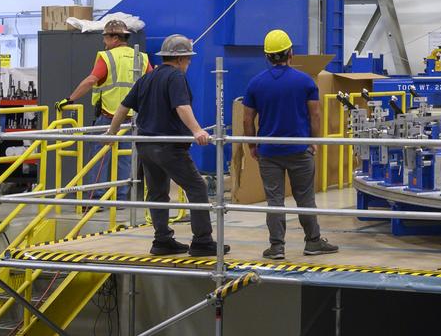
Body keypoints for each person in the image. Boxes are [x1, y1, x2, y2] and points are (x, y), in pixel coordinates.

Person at [108, 34, 224, 257]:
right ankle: (202, 241)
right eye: (188, 60)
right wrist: (197, 130)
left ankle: (162, 240)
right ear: (181, 60)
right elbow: (182, 106)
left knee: (158, 193)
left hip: (146, 146)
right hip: (168, 147)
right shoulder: (176, 77)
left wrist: (111, 134)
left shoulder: (146, 78)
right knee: (197, 187)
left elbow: (123, 107)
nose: (188, 64)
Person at [243, 29, 338, 260]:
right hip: (299, 150)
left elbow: (247, 119)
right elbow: (315, 115)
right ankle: (313, 242)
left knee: (274, 199)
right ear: (290, 53)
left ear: (267, 56)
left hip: (268, 152)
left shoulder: (256, 83)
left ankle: (277, 247)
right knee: (305, 198)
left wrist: (252, 146)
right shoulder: (305, 81)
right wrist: (312, 141)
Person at [59, 19, 151, 198]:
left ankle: (96, 197)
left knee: (99, 158)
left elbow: (91, 80)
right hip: (132, 119)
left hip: (109, 117)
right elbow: (151, 81)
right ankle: (122, 197)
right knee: (126, 159)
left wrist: (70, 99)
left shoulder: (107, 57)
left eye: (106, 37)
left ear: (115, 38)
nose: (104, 41)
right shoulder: (141, 57)